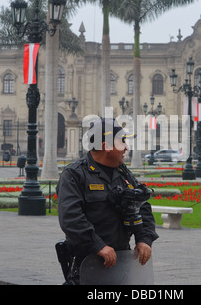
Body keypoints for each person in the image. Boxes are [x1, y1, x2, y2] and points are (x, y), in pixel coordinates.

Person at [56, 117, 158, 285]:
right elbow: (70, 218)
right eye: (122, 142)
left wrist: (144, 239)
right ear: (107, 146)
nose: (126, 148)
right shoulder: (75, 174)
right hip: (87, 262)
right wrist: (98, 246)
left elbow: (143, 206)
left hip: (121, 261)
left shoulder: (124, 174)